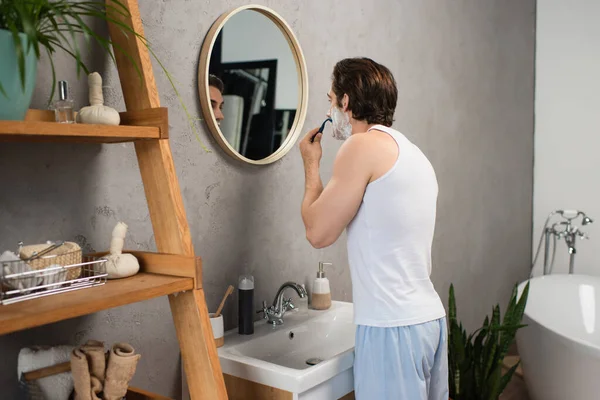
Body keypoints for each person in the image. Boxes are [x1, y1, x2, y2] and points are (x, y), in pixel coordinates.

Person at [299, 57, 448, 400]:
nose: (330, 109)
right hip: (427, 320)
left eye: (330, 99)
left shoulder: (361, 146)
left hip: (391, 328)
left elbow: (317, 233)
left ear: (345, 102)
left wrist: (310, 165)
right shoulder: (412, 154)